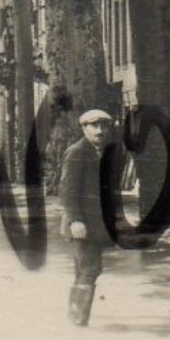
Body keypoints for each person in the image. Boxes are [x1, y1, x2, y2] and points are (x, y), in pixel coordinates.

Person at [60, 109, 114, 327]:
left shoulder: (101, 151)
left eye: (103, 126)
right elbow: (67, 190)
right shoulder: (77, 152)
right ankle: (79, 320)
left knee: (84, 269)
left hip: (96, 223)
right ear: (84, 128)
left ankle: (76, 316)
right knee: (90, 269)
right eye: (94, 126)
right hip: (82, 224)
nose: (99, 131)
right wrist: (75, 220)